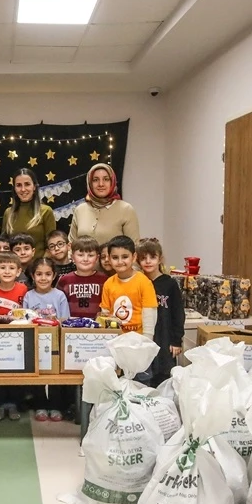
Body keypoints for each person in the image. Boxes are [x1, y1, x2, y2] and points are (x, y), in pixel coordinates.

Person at [24, 258, 72, 422]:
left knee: (55, 376)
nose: (43, 278)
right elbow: (25, 319)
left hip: (55, 342)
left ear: (54, 276)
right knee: (38, 374)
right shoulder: (28, 296)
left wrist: (54, 320)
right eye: (39, 274)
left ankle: (56, 406)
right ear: (32, 275)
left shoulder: (59, 295)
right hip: (35, 343)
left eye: (47, 274)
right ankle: (40, 405)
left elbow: (65, 319)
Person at [137, 238, 185, 386]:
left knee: (164, 376)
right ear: (137, 260)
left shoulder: (169, 283)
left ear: (160, 258)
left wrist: (176, 340)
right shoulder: (138, 282)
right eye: (143, 258)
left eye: (152, 257)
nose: (148, 261)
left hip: (164, 338)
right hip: (145, 337)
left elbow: (178, 314)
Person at [0, 251, 28, 421]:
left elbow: (27, 313)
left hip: (17, 337)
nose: (7, 271)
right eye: (2, 267)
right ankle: (0, 404)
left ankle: (13, 404)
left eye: (11, 268)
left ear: (18, 271)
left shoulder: (23, 289)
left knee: (16, 371)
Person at [100, 235, 156, 337]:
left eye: (125, 257)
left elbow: (149, 315)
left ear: (133, 257)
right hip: (115, 339)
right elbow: (105, 314)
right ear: (109, 258)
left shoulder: (144, 282)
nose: (120, 262)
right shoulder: (108, 283)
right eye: (115, 257)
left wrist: (147, 340)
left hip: (139, 340)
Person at [69, 163, 139, 244]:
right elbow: (71, 247)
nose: (101, 184)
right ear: (89, 184)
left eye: (106, 179)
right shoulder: (80, 210)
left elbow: (134, 247)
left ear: (112, 182)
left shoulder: (126, 209)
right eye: (95, 180)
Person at [2, 168, 56, 258]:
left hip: (39, 269)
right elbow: (4, 245)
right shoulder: (8, 213)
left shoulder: (46, 211)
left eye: (27, 184)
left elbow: (51, 245)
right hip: (14, 269)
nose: (23, 189)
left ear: (34, 186)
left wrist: (40, 267)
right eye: (19, 185)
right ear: (14, 189)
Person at [57, 236, 108, 319]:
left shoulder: (104, 280)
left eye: (90, 255)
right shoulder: (64, 280)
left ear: (97, 258)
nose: (85, 259)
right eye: (80, 255)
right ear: (73, 257)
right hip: (70, 327)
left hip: (98, 328)